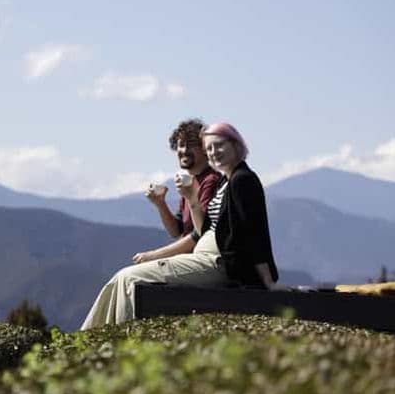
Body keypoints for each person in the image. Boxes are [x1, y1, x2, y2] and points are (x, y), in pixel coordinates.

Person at [80, 122, 281, 330]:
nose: (214, 152)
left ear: (236, 145)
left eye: (219, 146)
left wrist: (267, 281)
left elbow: (254, 233)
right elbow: (198, 229)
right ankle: (88, 337)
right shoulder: (225, 182)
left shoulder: (241, 180)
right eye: (210, 147)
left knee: (129, 278)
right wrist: (185, 199)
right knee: (121, 279)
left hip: (216, 262)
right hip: (204, 259)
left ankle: (113, 342)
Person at [133, 119, 221, 265]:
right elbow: (177, 230)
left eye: (191, 145)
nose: (184, 150)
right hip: (188, 259)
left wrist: (154, 255)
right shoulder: (190, 182)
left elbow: (201, 233)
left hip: (200, 261)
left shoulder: (210, 181)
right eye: (181, 145)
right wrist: (160, 204)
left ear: (205, 149)